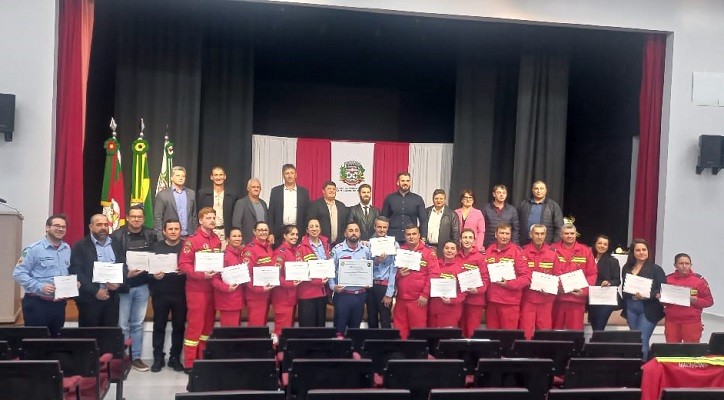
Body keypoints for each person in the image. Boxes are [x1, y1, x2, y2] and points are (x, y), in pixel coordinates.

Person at [112, 204, 157, 371]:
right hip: (125, 286)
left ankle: (136, 357)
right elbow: (113, 260)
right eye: (133, 216)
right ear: (128, 218)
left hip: (143, 286)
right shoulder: (117, 235)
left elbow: (155, 257)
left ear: (143, 219)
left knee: (137, 324)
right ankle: (122, 358)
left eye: (139, 217)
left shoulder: (151, 234)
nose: (136, 219)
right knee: (123, 324)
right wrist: (126, 274)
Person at [178, 207, 222, 371]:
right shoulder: (192, 240)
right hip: (196, 290)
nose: (212, 220)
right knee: (195, 326)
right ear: (200, 220)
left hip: (213, 289)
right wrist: (201, 274)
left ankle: (202, 358)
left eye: (213, 218)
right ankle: (190, 362)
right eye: (208, 218)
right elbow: (183, 264)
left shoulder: (217, 239)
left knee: (208, 326)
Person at [13, 214, 72, 337]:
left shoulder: (66, 248)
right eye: (57, 226)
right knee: (36, 342)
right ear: (47, 228)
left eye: (63, 227)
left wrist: (73, 283)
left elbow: (65, 272)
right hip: (37, 304)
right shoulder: (33, 249)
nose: (60, 229)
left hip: (59, 305)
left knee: (56, 340)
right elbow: (18, 273)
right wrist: (40, 286)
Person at [69, 214, 127, 327]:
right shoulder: (80, 245)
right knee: (89, 335)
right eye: (99, 225)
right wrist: (95, 291)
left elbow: (123, 266)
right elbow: (76, 271)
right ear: (91, 226)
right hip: (89, 300)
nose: (103, 228)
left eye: (105, 224)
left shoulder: (115, 243)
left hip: (112, 298)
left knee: (109, 334)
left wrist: (118, 283)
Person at [149, 219, 186, 372]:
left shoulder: (186, 247)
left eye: (176, 229)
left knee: (179, 327)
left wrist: (185, 270)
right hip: (160, 293)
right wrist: (153, 275)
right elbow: (148, 269)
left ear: (180, 231)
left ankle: (175, 358)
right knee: (159, 326)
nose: (173, 231)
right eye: (170, 229)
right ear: (164, 231)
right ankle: (158, 357)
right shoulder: (155, 247)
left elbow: (193, 267)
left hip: (181, 294)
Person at [620, 238, 665, 360]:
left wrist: (646, 295)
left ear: (648, 251)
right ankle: (635, 366)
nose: (641, 252)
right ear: (633, 253)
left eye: (644, 250)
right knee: (634, 340)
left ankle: (642, 368)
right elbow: (624, 287)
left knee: (642, 339)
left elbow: (662, 289)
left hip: (649, 308)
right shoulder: (626, 268)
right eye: (638, 250)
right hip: (631, 307)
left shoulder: (656, 269)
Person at [394, 224, 439, 339]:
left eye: (414, 234)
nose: (411, 237)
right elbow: (391, 273)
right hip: (401, 299)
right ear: (404, 236)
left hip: (418, 300)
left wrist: (425, 294)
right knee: (399, 333)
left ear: (419, 235)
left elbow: (434, 275)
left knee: (418, 334)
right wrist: (398, 274)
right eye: (408, 234)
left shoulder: (428, 252)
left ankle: (417, 352)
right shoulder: (400, 251)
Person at [520, 224, 563, 340]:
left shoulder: (553, 253)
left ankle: (543, 352)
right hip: (528, 298)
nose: (539, 236)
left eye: (542, 234)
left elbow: (558, 275)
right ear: (531, 235)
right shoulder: (523, 252)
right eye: (536, 233)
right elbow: (520, 274)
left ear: (545, 235)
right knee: (526, 333)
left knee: (545, 334)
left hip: (546, 299)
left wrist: (551, 288)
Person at [551, 224, 597, 330]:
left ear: (576, 234)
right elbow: (548, 272)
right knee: (555, 331)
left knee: (575, 332)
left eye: (572, 233)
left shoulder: (585, 251)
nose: (569, 236)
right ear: (561, 235)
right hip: (558, 298)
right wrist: (556, 288)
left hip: (577, 299)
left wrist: (584, 291)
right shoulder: (552, 249)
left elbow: (592, 274)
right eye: (566, 233)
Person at [329, 222, 372, 336]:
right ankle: (339, 347)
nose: (354, 233)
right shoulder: (337, 250)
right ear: (345, 233)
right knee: (339, 331)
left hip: (360, 296)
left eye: (356, 230)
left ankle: (354, 347)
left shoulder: (366, 250)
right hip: (343, 296)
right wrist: (333, 286)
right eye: (351, 230)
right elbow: (330, 270)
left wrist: (369, 281)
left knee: (355, 331)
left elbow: (371, 269)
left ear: (360, 233)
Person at [484, 223, 530, 329]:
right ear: (495, 234)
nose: (504, 236)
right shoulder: (489, 250)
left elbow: (526, 277)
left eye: (507, 233)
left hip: (510, 303)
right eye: (501, 233)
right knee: (492, 335)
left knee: (508, 335)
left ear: (510, 235)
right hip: (492, 302)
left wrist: (509, 283)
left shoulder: (517, 252)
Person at [663, 253, 713, 343]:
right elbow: (663, 303)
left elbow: (709, 301)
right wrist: (661, 297)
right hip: (671, 322)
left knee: (691, 350)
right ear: (675, 265)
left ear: (691, 265)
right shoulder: (668, 279)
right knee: (671, 350)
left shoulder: (699, 281)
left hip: (691, 322)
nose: (684, 266)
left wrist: (695, 300)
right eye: (681, 263)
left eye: (687, 263)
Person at [297, 219, 331, 327]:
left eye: (316, 226)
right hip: (307, 293)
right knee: (307, 329)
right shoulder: (300, 248)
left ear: (320, 229)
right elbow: (300, 271)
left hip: (322, 293)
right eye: (311, 226)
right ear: (307, 230)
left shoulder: (326, 245)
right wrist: (318, 280)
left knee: (320, 327)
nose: (314, 229)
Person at [242, 221, 276, 330]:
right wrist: (259, 289)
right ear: (254, 232)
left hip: (267, 294)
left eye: (265, 230)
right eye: (260, 230)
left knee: (262, 327)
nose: (263, 232)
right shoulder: (250, 249)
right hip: (255, 296)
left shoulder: (268, 247)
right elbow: (245, 274)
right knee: (255, 328)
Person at [367, 216, 398, 329]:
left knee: (385, 321)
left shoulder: (394, 244)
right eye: (379, 227)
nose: (382, 230)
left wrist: (389, 293)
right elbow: (364, 267)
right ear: (374, 227)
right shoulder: (368, 244)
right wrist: (376, 262)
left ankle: (386, 341)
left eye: (384, 227)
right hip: (370, 286)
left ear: (388, 228)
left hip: (385, 287)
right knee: (371, 320)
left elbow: (394, 271)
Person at [457, 228, 489, 338]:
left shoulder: (480, 258)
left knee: (472, 332)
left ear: (474, 241)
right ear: (460, 240)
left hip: (475, 300)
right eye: (465, 237)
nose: (467, 240)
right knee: (459, 332)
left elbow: (485, 279)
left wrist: (477, 290)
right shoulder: (456, 256)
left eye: (470, 238)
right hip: (459, 300)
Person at [272, 225, 302, 336]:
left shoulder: (295, 251)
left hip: (292, 298)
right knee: (281, 331)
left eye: (296, 234)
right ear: (284, 235)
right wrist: (290, 283)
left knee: (288, 330)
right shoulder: (280, 252)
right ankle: (278, 347)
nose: (295, 237)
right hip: (282, 298)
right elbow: (275, 275)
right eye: (292, 234)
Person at [268, 164, 310, 244]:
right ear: (283, 175)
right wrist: (271, 233)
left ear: (296, 175)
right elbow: (271, 213)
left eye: (292, 173)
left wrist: (306, 233)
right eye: (287, 173)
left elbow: (307, 214)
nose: (290, 176)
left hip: (298, 232)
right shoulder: (275, 191)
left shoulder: (304, 192)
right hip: (279, 233)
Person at [428, 241, 467, 328]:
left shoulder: (461, 268)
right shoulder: (435, 265)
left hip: (451, 310)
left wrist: (452, 300)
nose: (449, 250)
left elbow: (464, 291)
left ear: (456, 252)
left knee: (446, 336)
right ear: (443, 250)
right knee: (432, 335)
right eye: (447, 248)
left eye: (452, 249)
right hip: (434, 308)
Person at [587, 234, 622, 331]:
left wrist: (609, 282)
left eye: (605, 244)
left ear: (608, 246)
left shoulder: (613, 261)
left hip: (606, 299)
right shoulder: (588, 259)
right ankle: (595, 340)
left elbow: (617, 280)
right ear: (595, 244)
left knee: (599, 326)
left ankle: (597, 340)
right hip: (591, 297)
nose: (602, 246)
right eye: (599, 243)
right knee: (594, 325)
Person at [212, 227, 245, 327]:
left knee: (235, 332)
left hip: (238, 300)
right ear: (227, 239)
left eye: (239, 236)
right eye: (234, 236)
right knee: (229, 332)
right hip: (227, 300)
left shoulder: (241, 254)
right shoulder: (223, 256)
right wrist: (227, 288)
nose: (237, 238)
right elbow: (214, 279)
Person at [382, 172, 428, 244]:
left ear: (410, 183)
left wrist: (423, 237)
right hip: (392, 238)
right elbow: (383, 219)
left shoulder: (418, 199)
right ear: (398, 182)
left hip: (411, 238)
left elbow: (423, 220)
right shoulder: (390, 198)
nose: (405, 183)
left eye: (407, 181)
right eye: (403, 181)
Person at [197, 166, 239, 243]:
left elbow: (235, 216)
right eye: (216, 175)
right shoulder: (203, 193)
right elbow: (199, 213)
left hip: (225, 233)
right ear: (211, 177)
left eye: (221, 175)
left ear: (225, 176)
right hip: (207, 231)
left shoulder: (232, 194)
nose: (218, 177)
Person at [154, 166, 197, 239]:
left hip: (189, 237)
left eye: (183, 176)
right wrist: (160, 238)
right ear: (171, 178)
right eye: (178, 175)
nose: (181, 178)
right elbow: (158, 218)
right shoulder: (162, 195)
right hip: (169, 237)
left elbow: (194, 216)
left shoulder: (191, 193)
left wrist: (195, 235)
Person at [517, 180, 563, 245]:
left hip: (546, 244)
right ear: (532, 190)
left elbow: (559, 227)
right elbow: (516, 225)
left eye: (541, 189)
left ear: (546, 190)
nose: (539, 191)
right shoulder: (523, 204)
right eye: (536, 188)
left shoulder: (553, 206)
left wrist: (555, 244)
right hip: (524, 243)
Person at [307, 181, 349, 245]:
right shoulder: (315, 205)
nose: (332, 191)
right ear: (323, 191)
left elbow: (345, 224)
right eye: (329, 188)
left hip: (339, 244)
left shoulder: (341, 206)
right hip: (321, 243)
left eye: (334, 189)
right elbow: (310, 223)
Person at [232, 178, 270, 245]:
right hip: (247, 241)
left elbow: (266, 222)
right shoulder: (241, 203)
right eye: (253, 187)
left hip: (262, 241)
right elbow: (236, 223)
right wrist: (241, 241)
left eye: (258, 187)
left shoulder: (263, 203)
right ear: (248, 188)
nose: (256, 189)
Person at [425, 189, 460, 255]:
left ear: (444, 200)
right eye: (436, 198)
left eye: (441, 198)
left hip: (443, 249)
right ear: (433, 199)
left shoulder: (452, 214)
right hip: (427, 247)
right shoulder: (426, 211)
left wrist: (455, 249)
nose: (438, 201)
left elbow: (455, 233)